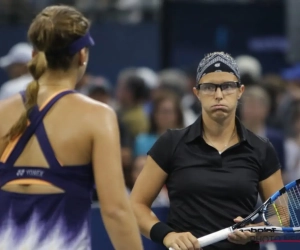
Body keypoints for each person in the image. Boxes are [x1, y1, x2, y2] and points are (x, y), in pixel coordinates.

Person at [0, 5, 143, 250]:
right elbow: (116, 211)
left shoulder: (2, 112)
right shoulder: (97, 117)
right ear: (82, 55)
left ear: (35, 55)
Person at [130, 52, 284, 250]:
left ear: (240, 91)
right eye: (209, 87)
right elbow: (136, 205)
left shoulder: (262, 149)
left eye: (227, 86)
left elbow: (282, 216)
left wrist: (257, 231)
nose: (218, 95)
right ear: (197, 93)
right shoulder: (171, 143)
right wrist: (167, 235)